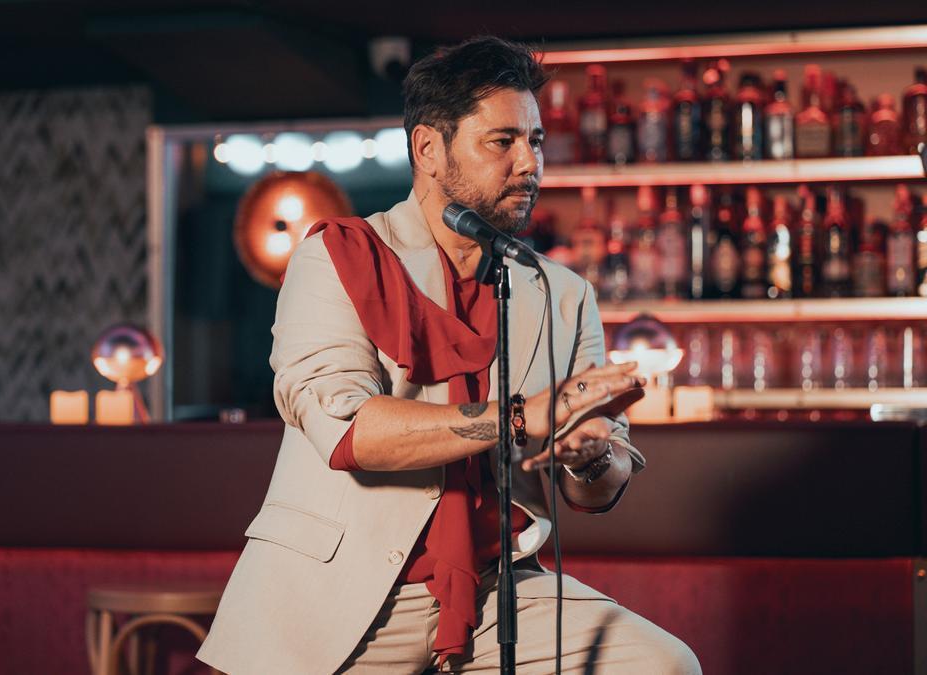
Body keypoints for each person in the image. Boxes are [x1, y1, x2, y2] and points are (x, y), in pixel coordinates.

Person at [197, 36, 701, 674]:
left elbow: (599, 492)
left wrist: (592, 452)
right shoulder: (337, 258)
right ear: (428, 149)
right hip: (348, 590)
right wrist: (522, 417)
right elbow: (350, 430)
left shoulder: (561, 292)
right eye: (502, 142)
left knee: (662, 666)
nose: (529, 162)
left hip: (500, 590)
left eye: (536, 141)